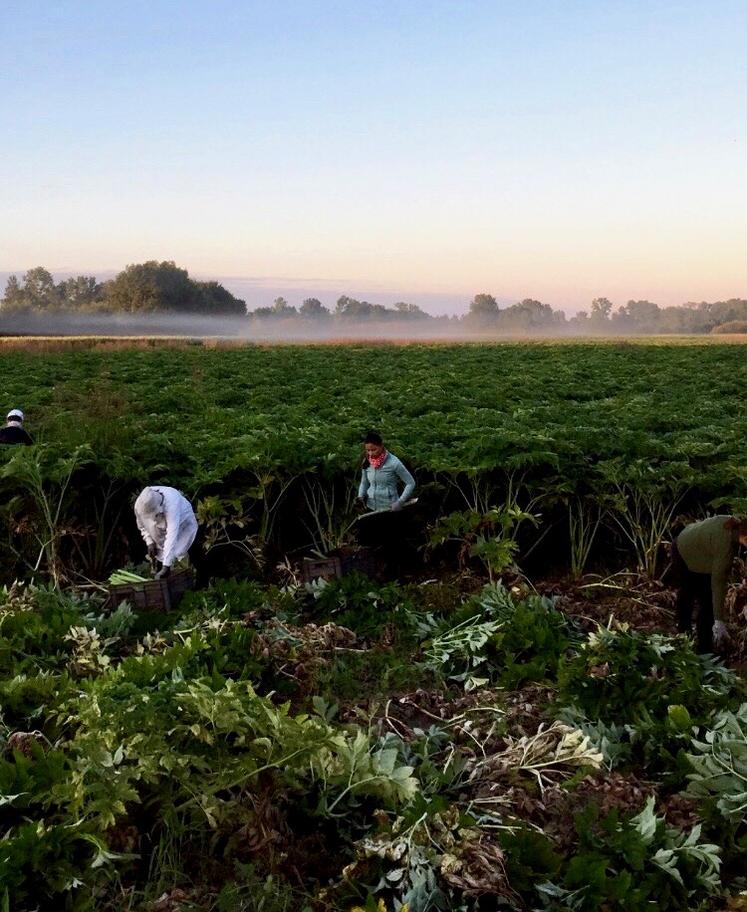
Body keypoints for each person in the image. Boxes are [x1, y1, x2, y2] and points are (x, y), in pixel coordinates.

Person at [671, 514, 747, 652]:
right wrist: (719, 621)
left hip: (702, 551)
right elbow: (718, 583)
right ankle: (686, 638)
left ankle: (703, 647)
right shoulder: (725, 546)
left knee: (705, 599)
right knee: (697, 596)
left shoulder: (734, 523)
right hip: (682, 549)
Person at [134, 486, 198, 580]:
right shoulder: (140, 505)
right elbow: (142, 525)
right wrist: (149, 542)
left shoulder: (172, 503)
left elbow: (172, 535)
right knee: (165, 563)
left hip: (182, 530)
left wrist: (166, 566)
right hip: (161, 536)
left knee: (180, 558)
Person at [357, 430, 415, 513]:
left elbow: (411, 483)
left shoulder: (394, 462)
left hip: (389, 508)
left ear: (381, 446)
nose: (370, 453)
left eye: (373, 450)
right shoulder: (366, 461)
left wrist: (400, 502)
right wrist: (360, 497)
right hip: (371, 508)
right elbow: (364, 482)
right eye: (368, 450)